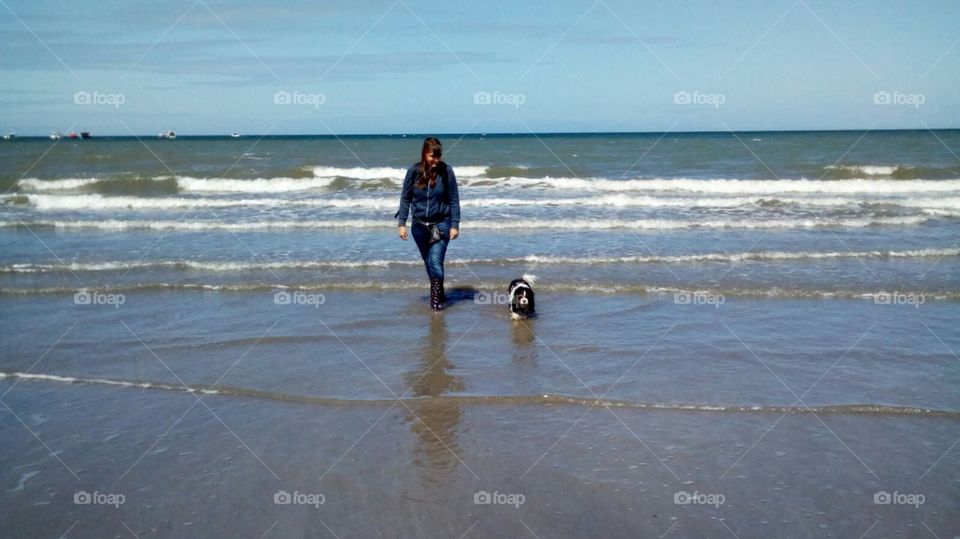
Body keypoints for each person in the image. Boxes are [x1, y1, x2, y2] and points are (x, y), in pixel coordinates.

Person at [395, 137, 460, 311]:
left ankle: (436, 303)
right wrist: (402, 223)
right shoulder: (414, 171)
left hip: (441, 224)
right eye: (433, 156)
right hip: (419, 226)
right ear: (425, 153)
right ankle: (439, 293)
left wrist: (455, 224)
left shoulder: (447, 171)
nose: (436, 160)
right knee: (428, 263)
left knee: (436, 261)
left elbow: (454, 199)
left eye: (439, 156)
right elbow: (405, 198)